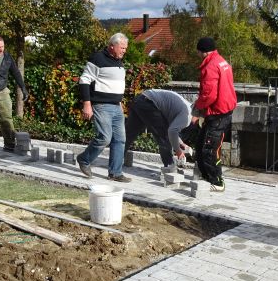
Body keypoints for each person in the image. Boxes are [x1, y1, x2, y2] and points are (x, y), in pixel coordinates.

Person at [76, 33, 130, 182]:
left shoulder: (119, 62)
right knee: (105, 137)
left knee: (120, 140)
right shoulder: (98, 58)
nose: (124, 51)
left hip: (116, 107)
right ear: (112, 46)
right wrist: (87, 104)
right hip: (101, 105)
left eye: (125, 48)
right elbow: (84, 80)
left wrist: (120, 103)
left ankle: (115, 173)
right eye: (122, 48)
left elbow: (115, 85)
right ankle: (84, 159)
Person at [192, 37, 237, 192]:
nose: (197, 54)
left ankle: (217, 182)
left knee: (209, 149)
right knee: (200, 145)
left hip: (218, 113)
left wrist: (197, 108)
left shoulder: (210, 66)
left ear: (203, 51)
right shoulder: (221, 61)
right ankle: (206, 177)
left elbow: (209, 95)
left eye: (198, 52)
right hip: (222, 110)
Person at [125, 89, 194, 169]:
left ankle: (116, 162)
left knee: (128, 135)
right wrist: (178, 151)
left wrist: (181, 143)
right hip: (149, 103)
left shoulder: (187, 108)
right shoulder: (188, 116)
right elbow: (171, 132)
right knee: (164, 137)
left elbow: (171, 130)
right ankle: (169, 167)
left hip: (141, 99)